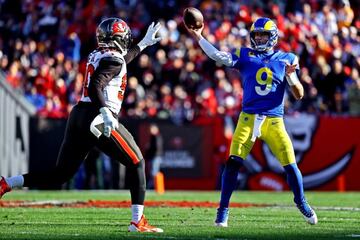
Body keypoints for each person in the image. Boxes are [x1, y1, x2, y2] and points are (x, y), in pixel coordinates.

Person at [0, 17, 163, 233]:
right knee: (137, 162)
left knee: (61, 174)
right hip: (98, 115)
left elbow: (121, 61)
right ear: (117, 39)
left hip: (79, 114)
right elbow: (98, 83)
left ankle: (6, 183)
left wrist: (142, 44)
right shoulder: (113, 60)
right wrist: (105, 111)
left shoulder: (98, 54)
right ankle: (137, 221)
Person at [185, 17, 318, 227]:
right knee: (233, 163)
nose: (259, 38)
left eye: (263, 34)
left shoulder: (287, 58)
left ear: (273, 36)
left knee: (291, 166)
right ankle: (223, 211)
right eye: (256, 34)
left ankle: (301, 201)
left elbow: (299, 94)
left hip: (274, 120)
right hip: (247, 119)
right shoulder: (244, 55)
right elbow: (217, 55)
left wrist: (291, 78)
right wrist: (199, 36)